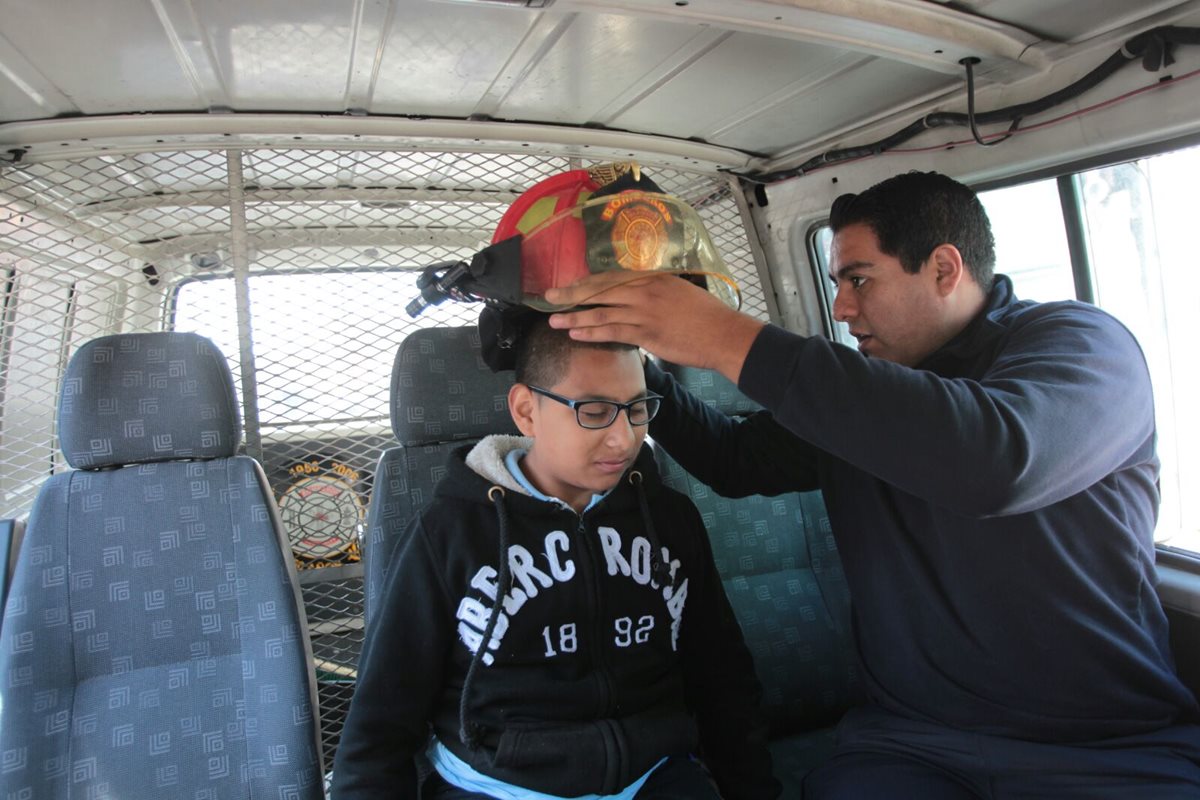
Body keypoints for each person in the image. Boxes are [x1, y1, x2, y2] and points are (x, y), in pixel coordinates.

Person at [544, 170, 1200, 798]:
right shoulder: (861, 394)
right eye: (836, 283)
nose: (841, 307)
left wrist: (723, 336)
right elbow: (735, 459)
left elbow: (997, 462)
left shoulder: (1084, 349)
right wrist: (636, 369)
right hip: (912, 746)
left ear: (944, 269)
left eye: (859, 279)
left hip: (1106, 745)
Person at [331, 313, 779, 799]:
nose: (623, 438)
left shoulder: (670, 519)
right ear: (526, 411)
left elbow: (722, 678)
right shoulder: (449, 533)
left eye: (637, 408)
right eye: (593, 411)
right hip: (500, 785)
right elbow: (381, 719)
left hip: (654, 775)